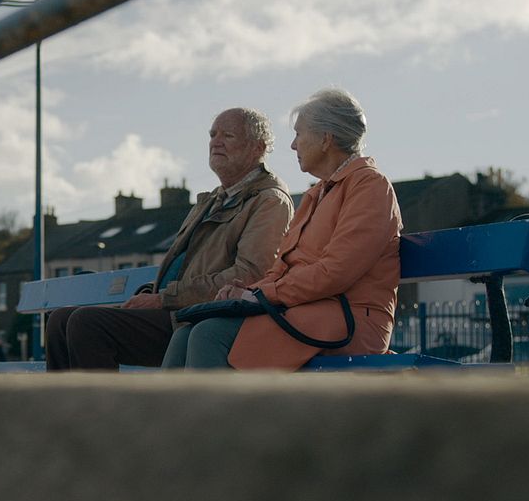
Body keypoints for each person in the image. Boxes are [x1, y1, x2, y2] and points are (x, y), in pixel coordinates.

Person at [162, 88, 402, 370]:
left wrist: (263, 295)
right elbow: (281, 269)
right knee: (185, 334)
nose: (293, 145)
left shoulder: (370, 186)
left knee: (209, 335)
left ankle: (221, 403)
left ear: (326, 139)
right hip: (304, 310)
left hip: (348, 319)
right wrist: (246, 291)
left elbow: (335, 272)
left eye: (299, 134)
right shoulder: (316, 194)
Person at [45, 108, 294, 370]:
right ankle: (61, 399)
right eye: (212, 135)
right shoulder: (211, 200)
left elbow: (251, 274)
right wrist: (152, 293)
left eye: (228, 135)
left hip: (199, 319)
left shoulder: (269, 201)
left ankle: (97, 399)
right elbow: (187, 267)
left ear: (257, 147)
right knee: (59, 320)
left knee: (86, 323)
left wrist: (164, 298)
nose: (216, 142)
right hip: (173, 310)